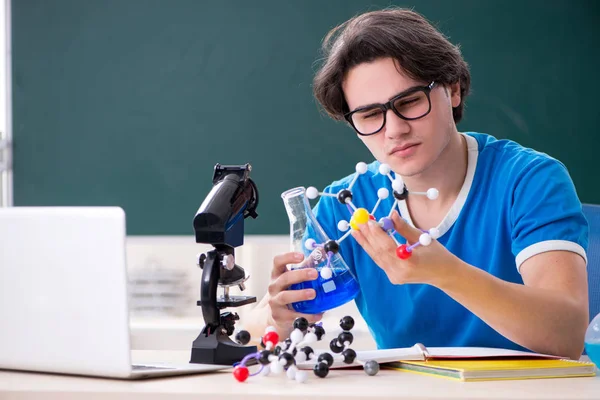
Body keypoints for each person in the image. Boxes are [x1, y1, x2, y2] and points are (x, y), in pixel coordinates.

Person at [246, 7, 589, 360]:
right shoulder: (346, 205)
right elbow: (251, 335)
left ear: (453, 90)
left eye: (409, 102)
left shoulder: (529, 181)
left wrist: (446, 273)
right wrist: (278, 317)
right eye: (370, 115)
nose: (394, 130)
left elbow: (565, 335)